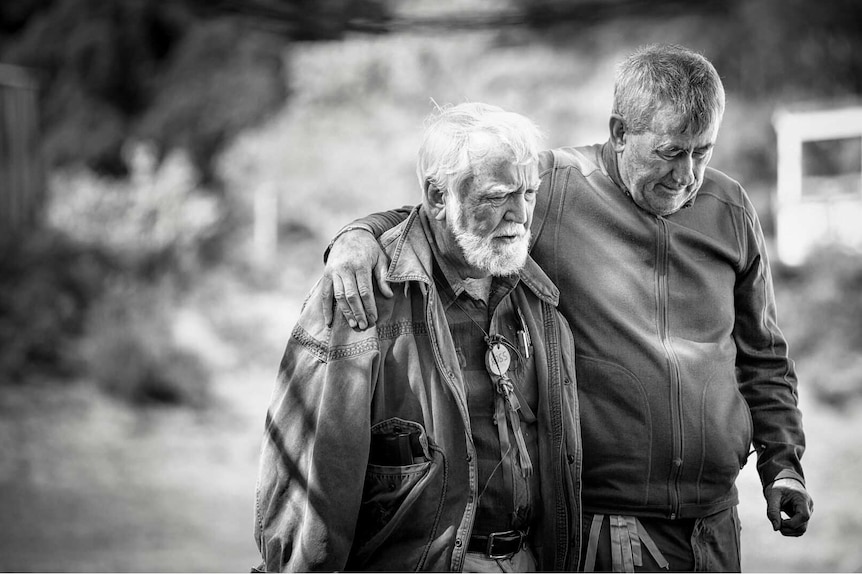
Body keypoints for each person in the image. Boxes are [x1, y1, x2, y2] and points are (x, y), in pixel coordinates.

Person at [320, 44, 814, 572]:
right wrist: (358, 235)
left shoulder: (730, 208)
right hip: (607, 527)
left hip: (715, 521)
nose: (686, 174)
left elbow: (763, 357)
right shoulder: (550, 188)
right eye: (670, 152)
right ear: (620, 132)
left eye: (702, 151)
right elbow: (445, 211)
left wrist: (783, 467)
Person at [254, 102, 582, 572]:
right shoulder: (362, 296)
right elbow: (310, 499)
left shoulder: (532, 288)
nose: (520, 214)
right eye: (496, 196)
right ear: (437, 194)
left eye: (528, 192)